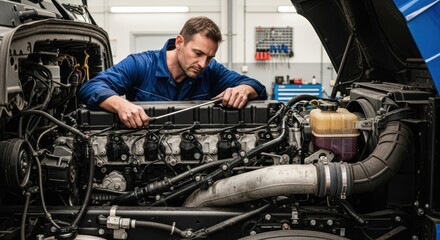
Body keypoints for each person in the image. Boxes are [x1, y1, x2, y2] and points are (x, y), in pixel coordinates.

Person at [79, 16, 267, 128]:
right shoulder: (140, 64)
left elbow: (257, 87)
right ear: (179, 42)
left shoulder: (211, 70)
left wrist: (244, 89)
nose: (203, 64)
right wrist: (121, 104)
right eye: (198, 53)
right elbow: (91, 87)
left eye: (209, 57)